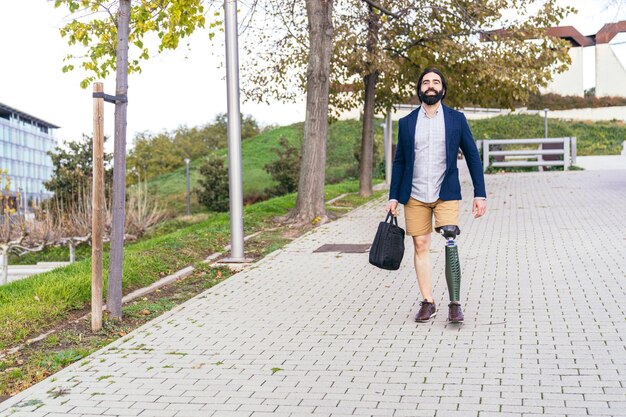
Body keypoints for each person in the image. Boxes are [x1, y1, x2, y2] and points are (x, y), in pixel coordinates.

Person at [386, 67, 486, 323]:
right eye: (426, 82)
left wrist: (480, 193)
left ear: (443, 89)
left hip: (446, 191)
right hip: (415, 194)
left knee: (450, 238)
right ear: (420, 88)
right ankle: (428, 301)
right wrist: (393, 196)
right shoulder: (407, 122)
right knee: (420, 246)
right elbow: (399, 162)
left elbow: (473, 156)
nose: (430, 86)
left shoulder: (456, 119)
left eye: (436, 82)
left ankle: (455, 303)